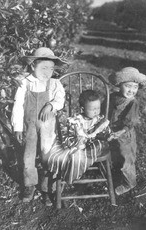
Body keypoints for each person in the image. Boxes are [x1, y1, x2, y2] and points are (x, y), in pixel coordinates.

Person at [11, 47, 67, 205]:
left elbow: (60, 100)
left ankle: (47, 187)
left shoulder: (54, 84)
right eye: (43, 67)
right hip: (29, 126)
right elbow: (18, 105)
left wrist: (51, 105)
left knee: (47, 155)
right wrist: (17, 127)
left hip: (47, 128)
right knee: (28, 155)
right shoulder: (25, 83)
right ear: (32, 66)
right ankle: (29, 184)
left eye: (51, 68)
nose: (47, 72)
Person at [47, 89, 110, 184]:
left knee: (100, 145)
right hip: (78, 144)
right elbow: (70, 134)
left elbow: (105, 130)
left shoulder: (99, 119)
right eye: (93, 109)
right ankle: (71, 173)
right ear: (82, 109)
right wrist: (77, 142)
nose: (96, 112)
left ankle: (72, 173)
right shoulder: (76, 120)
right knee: (71, 155)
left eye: (98, 108)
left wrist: (107, 134)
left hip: (93, 144)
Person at [107, 67, 146, 195]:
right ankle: (116, 172)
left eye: (135, 87)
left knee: (126, 158)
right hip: (112, 131)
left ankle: (129, 183)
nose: (131, 90)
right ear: (119, 85)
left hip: (125, 134)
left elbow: (131, 120)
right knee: (115, 154)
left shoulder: (132, 103)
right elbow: (106, 110)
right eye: (128, 86)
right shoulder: (113, 97)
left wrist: (122, 130)